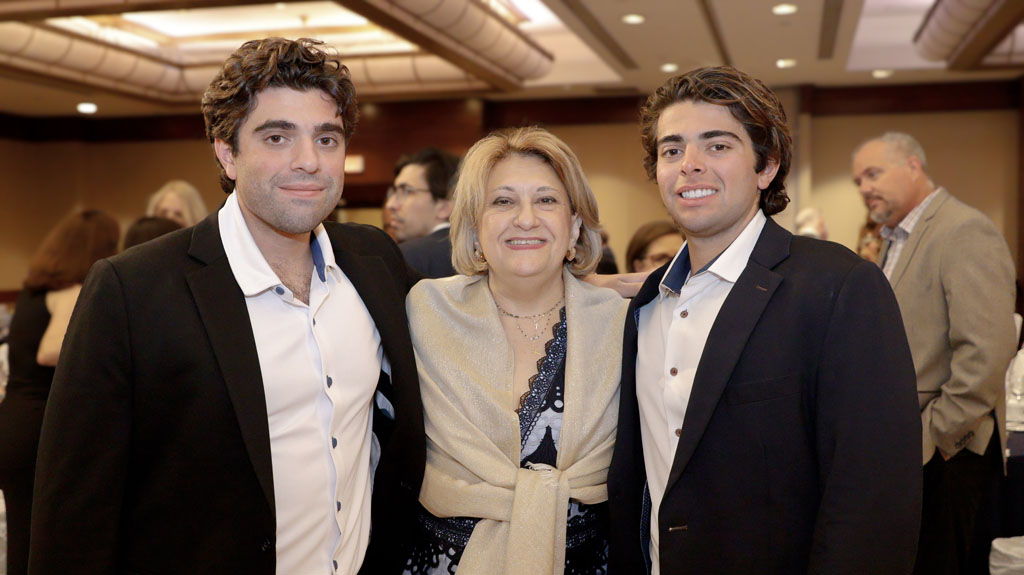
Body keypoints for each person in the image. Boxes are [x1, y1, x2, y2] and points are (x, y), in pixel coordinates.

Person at [29, 38, 424, 575]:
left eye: (326, 138)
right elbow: (73, 516)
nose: (308, 161)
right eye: (277, 137)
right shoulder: (132, 290)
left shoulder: (374, 261)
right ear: (226, 152)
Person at [607, 66, 922, 574]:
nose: (689, 165)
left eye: (717, 145)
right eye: (672, 150)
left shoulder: (838, 287)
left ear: (766, 166)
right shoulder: (648, 305)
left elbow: (874, 499)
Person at [402, 127, 627, 575]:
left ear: (574, 226)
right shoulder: (424, 312)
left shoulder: (621, 326)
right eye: (503, 201)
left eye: (547, 200)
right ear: (475, 226)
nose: (526, 218)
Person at [852, 132, 1017, 575]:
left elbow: (987, 349)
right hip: (910, 446)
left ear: (913, 166)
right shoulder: (895, 238)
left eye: (873, 174)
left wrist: (938, 436)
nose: (864, 187)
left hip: (950, 453)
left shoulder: (963, 229)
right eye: (858, 181)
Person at [0, 209, 119, 575]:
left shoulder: (32, 292)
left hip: (13, 419)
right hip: (39, 425)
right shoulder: (71, 290)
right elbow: (50, 351)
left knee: (22, 536)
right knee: (44, 540)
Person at [386, 148, 461, 278]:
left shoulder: (407, 256)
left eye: (407, 191)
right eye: (394, 192)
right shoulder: (482, 253)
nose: (390, 204)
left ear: (444, 207)